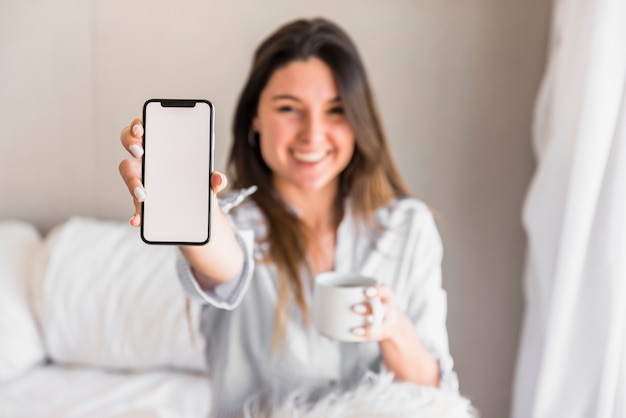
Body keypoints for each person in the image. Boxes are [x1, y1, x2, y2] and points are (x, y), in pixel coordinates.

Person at [119, 17, 457, 418]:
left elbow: (437, 398)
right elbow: (225, 264)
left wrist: (393, 328)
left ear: (358, 120)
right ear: (255, 118)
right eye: (288, 109)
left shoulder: (408, 229)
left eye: (335, 111)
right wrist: (195, 211)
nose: (312, 135)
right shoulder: (237, 223)